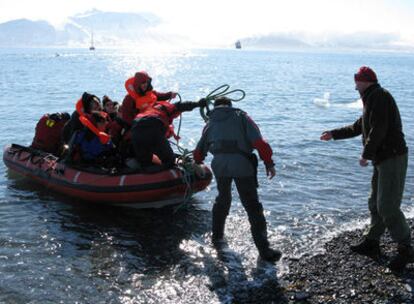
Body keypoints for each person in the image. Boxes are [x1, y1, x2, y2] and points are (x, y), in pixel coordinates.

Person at [320, 66, 412, 272]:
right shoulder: (371, 98)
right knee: (375, 202)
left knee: (387, 206)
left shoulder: (378, 96)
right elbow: (358, 127)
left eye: (357, 81)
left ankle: (406, 248)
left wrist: (366, 154)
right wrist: (333, 134)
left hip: (392, 156)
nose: (355, 85)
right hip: (383, 158)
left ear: (365, 81)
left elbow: (379, 129)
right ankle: (372, 242)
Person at [193, 96, 281, 262]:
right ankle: (264, 250)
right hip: (242, 166)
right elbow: (259, 143)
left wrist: (197, 163)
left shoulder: (210, 123)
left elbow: (199, 151)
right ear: (230, 105)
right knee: (252, 205)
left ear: (217, 107)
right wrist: (269, 163)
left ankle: (217, 239)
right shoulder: (242, 117)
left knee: (222, 199)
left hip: (220, 166)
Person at [131, 98, 205, 170]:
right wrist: (197, 104)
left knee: (145, 162)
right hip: (152, 124)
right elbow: (182, 106)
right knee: (169, 161)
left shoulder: (149, 109)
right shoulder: (168, 108)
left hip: (135, 129)